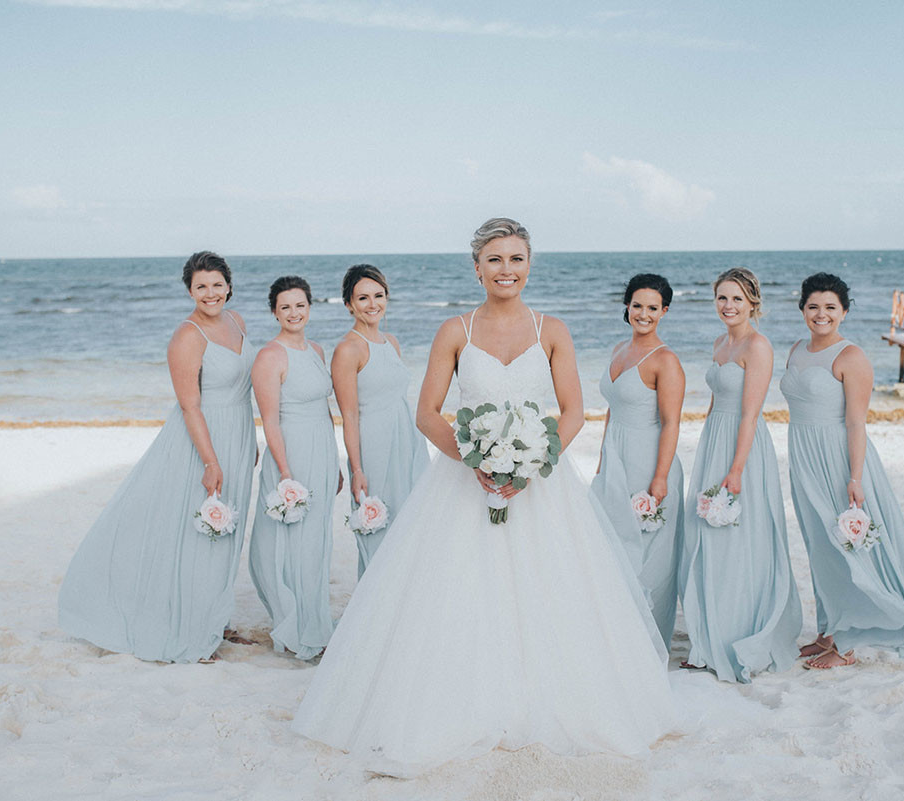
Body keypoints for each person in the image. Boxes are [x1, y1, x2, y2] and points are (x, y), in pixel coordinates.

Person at [292, 218, 689, 776]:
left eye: (517, 259)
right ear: (477, 267)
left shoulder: (553, 329)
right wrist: (473, 458)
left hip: (541, 485)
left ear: (530, 264)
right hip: (463, 482)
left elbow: (573, 413)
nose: (508, 270)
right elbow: (427, 413)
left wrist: (534, 463)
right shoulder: (455, 331)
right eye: (496, 260)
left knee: (556, 596)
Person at [59, 251, 256, 663]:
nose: (210, 293)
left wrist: (251, 438)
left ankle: (215, 620)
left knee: (228, 531)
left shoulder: (237, 321)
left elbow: (245, 388)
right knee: (196, 533)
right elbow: (190, 407)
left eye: (217, 284)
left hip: (238, 432)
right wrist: (211, 461)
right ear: (189, 290)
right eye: (201, 286)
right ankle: (189, 629)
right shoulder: (187, 337)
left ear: (229, 285)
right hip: (201, 441)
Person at [782, 272, 904, 669]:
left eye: (829, 308)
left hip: (838, 459)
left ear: (843, 312)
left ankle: (847, 646)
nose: (820, 315)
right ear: (802, 309)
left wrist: (854, 478)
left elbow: (856, 422)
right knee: (819, 546)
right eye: (813, 307)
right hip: (803, 456)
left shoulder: (851, 356)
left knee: (845, 547)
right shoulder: (796, 349)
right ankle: (828, 632)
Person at [678, 267, 802, 683]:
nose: (728, 306)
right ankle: (708, 637)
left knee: (738, 542)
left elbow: (750, 413)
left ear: (752, 303)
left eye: (736, 299)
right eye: (722, 298)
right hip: (715, 442)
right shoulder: (720, 343)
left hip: (743, 448)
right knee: (707, 540)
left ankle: (738, 635)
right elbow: (716, 404)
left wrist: (735, 470)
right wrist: (706, 455)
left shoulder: (758, 346)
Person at [248, 276, 342, 659]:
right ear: (274, 312)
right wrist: (285, 472)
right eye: (285, 307)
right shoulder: (270, 356)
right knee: (290, 545)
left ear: (310, 307)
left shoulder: (318, 350)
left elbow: (326, 410)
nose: (294, 313)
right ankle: (295, 626)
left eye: (300, 305)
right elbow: (269, 420)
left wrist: (335, 461)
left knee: (316, 542)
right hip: (290, 454)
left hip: (320, 450)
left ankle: (314, 621)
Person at [591, 273, 685, 650]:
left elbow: (671, 422)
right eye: (637, 305)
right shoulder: (618, 348)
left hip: (649, 462)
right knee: (610, 548)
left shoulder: (665, 360)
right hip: (616, 460)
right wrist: (601, 460)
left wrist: (660, 478)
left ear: (664, 311)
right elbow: (612, 411)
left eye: (652, 307)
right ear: (626, 306)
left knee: (647, 557)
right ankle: (614, 636)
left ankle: (645, 643)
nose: (643, 314)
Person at [330, 264, 429, 577]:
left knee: (411, 526)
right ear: (349, 305)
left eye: (378, 295)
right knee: (379, 528)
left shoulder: (392, 341)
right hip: (373, 448)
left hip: (407, 442)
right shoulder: (348, 350)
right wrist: (357, 469)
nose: (373, 304)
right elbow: (349, 414)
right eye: (363, 298)